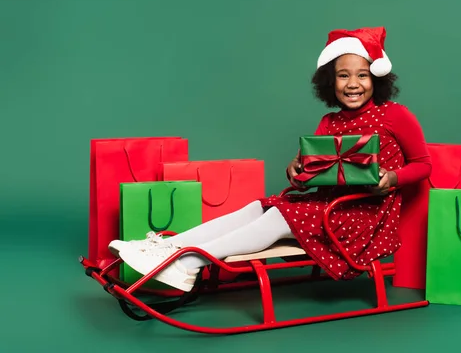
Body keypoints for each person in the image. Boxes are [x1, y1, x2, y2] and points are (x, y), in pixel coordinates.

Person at [109, 26, 432, 292]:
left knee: (277, 218)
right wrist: (297, 170)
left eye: (362, 76)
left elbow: (423, 165)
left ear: (376, 79)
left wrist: (392, 178)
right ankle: (164, 249)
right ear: (330, 82)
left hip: (364, 215)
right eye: (343, 76)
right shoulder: (329, 123)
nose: (353, 84)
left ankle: (187, 265)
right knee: (258, 207)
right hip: (326, 204)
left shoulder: (394, 116)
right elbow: (317, 170)